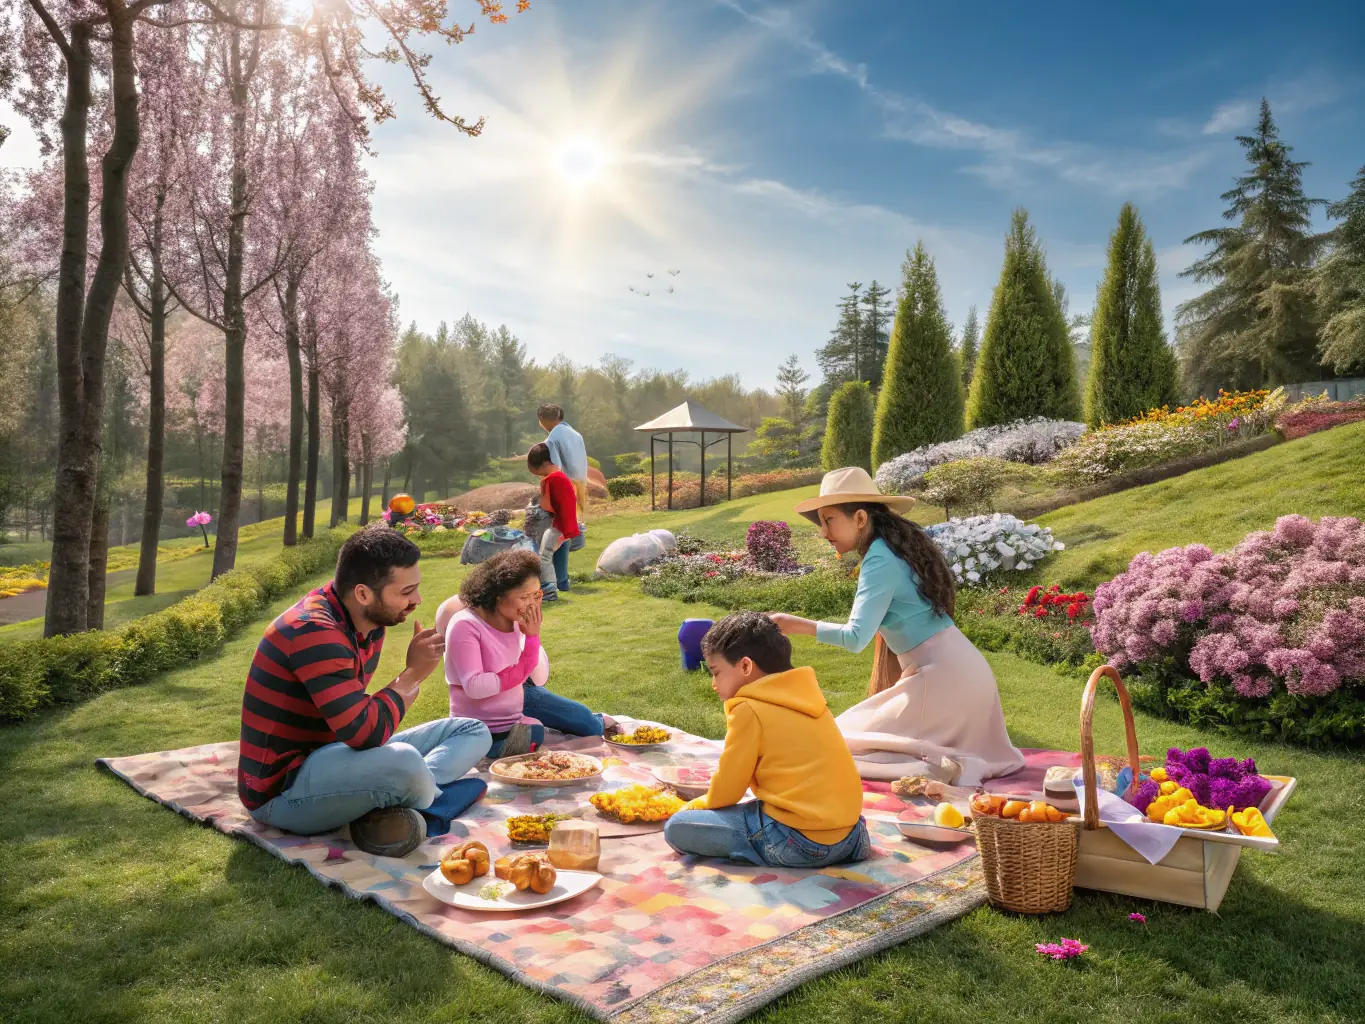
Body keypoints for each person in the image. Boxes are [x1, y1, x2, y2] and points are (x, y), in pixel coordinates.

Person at [238, 526, 492, 858]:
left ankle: (410, 800)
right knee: (405, 764)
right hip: (283, 790)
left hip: (334, 755)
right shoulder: (314, 631)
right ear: (363, 594)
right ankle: (426, 800)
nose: (416, 601)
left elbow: (356, 726)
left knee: (472, 730)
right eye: (406, 591)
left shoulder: (366, 622)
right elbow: (364, 732)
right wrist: (411, 674)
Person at [769, 467, 1024, 786]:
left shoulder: (879, 559)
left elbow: (855, 638)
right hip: (960, 676)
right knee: (840, 740)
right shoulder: (890, 550)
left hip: (945, 682)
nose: (823, 532)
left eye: (828, 519)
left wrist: (793, 624)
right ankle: (953, 768)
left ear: (860, 518)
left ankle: (953, 771)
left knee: (828, 743)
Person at [663, 612, 871, 868]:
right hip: (853, 838)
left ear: (746, 666)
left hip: (799, 843)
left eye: (716, 672)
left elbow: (728, 791)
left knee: (678, 827)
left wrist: (694, 806)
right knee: (756, 810)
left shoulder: (748, 709)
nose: (714, 685)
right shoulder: (809, 697)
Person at [445, 549, 605, 757]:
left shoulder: (514, 620)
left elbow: (534, 672)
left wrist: (531, 636)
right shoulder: (465, 625)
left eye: (536, 595)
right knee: (521, 741)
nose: (532, 604)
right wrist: (525, 659)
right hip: (477, 728)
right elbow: (475, 687)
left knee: (550, 728)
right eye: (524, 597)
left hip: (515, 710)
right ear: (498, 595)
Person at [527, 441, 579, 601]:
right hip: (566, 524)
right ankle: (563, 582)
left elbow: (547, 505)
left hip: (559, 526)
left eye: (534, 470)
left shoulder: (551, 480)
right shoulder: (562, 476)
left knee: (544, 556)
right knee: (560, 550)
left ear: (540, 465)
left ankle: (549, 590)